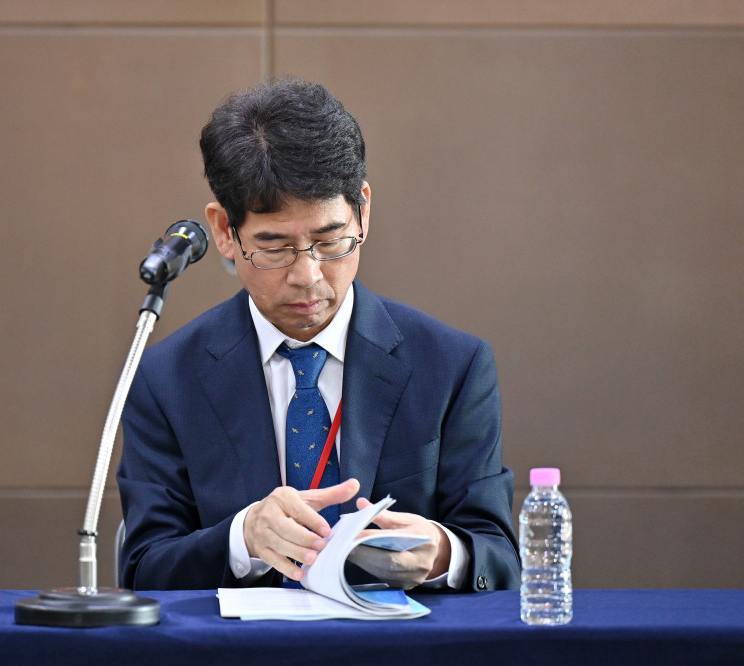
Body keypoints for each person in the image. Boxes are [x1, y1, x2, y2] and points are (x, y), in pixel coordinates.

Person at [118, 77, 520, 592]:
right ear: (223, 231)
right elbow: (144, 568)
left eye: (330, 241)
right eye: (275, 248)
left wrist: (445, 552)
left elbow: (500, 558)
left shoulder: (452, 366)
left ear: (363, 212)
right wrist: (242, 538)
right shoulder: (164, 379)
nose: (307, 276)